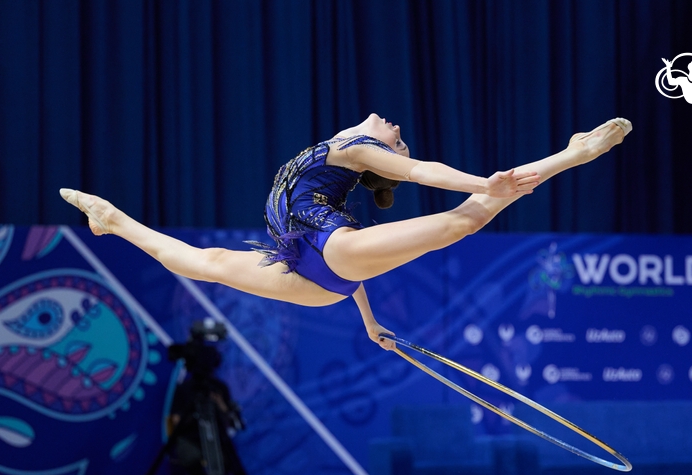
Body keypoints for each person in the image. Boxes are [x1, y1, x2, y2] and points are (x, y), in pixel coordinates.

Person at [60, 114, 631, 350]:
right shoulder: (333, 152)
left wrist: (482, 180)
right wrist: (370, 323)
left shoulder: (355, 150)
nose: (396, 128)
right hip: (308, 263)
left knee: (466, 217)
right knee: (200, 261)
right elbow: (353, 264)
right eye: (398, 134)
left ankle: (571, 154)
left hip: (318, 249)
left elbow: (418, 172)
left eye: (396, 138)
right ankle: (112, 221)